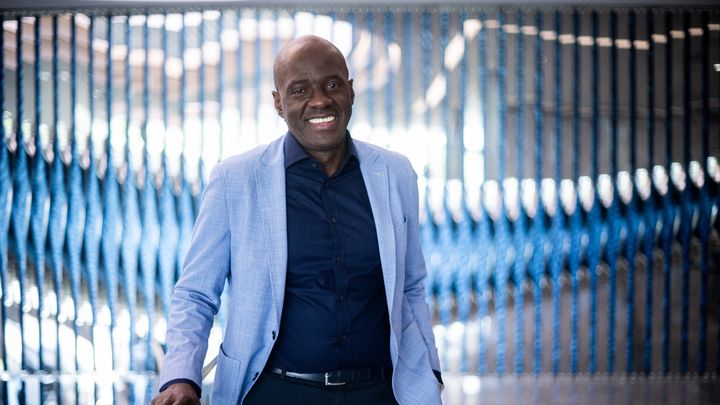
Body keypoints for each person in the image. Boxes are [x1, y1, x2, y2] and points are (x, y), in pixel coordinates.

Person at [151, 35, 442, 405]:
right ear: (278, 102)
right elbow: (195, 293)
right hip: (272, 391)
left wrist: (430, 371)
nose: (319, 100)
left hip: (381, 393)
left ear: (350, 91)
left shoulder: (396, 173)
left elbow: (411, 287)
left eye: (332, 84)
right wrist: (180, 378)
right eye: (299, 90)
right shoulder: (236, 179)